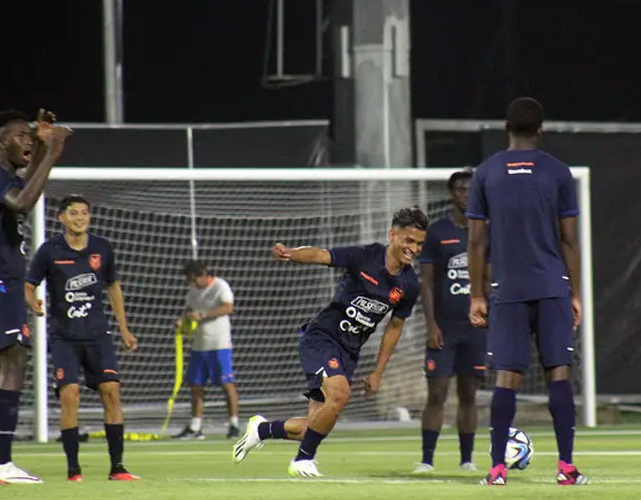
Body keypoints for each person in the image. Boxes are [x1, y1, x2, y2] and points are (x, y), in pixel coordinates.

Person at [232, 208, 428, 478]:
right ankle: (302, 460)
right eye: (408, 240)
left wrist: (378, 371)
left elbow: (395, 327)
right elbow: (322, 255)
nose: (413, 248)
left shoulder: (409, 284)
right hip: (323, 338)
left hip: (349, 351)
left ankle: (262, 430)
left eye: (419, 243)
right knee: (340, 395)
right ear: (392, 235)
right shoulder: (365, 256)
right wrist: (291, 254)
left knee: (315, 426)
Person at [466, 97, 588, 486]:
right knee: (559, 374)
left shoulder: (486, 173)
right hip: (552, 285)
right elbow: (569, 240)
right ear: (540, 129)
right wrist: (575, 292)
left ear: (507, 127)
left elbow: (475, 243)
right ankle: (566, 468)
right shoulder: (557, 172)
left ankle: (498, 469)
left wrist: (477, 295)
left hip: (508, 289)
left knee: (507, 378)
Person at [0, 109, 71, 485]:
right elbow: (23, 202)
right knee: (14, 363)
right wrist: (54, 154)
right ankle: (3, 464)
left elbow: (27, 188)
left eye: (30, 136)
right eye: (20, 136)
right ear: (1, 141)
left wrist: (45, 149)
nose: (28, 140)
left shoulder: (2, 175)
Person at [24, 194, 139, 481]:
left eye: (84, 213)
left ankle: (117, 467)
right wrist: (32, 301)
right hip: (65, 338)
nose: (79, 218)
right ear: (61, 217)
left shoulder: (102, 248)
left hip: (98, 336)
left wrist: (124, 328)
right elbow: (29, 284)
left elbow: (113, 287)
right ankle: (73, 470)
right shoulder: (50, 250)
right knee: (69, 396)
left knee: (111, 391)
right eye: (73, 213)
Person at [414, 170, 486, 473]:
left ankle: (467, 459)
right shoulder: (436, 231)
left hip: (477, 328)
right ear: (451, 193)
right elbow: (427, 283)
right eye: (460, 189)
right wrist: (431, 325)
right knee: (437, 393)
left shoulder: (485, 231)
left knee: (469, 395)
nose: (465, 194)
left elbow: (493, 276)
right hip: (444, 327)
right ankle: (427, 460)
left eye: (470, 189)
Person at [172, 260, 240, 440]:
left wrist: (203, 315)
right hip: (198, 345)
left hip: (219, 344)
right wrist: (182, 321)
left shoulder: (220, 286)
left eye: (194, 279)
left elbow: (228, 307)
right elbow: (188, 311)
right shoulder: (193, 291)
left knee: (227, 384)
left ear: (203, 274)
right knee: (195, 386)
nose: (192, 284)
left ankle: (233, 424)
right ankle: (195, 427)